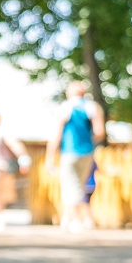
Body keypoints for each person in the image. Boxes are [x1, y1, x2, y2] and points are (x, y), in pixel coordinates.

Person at [48, 80, 106, 232]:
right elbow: (100, 132)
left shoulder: (66, 107)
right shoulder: (93, 107)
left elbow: (56, 134)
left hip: (69, 152)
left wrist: (50, 157)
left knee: (70, 185)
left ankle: (75, 220)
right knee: (79, 185)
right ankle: (67, 219)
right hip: (87, 152)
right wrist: (87, 141)